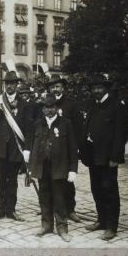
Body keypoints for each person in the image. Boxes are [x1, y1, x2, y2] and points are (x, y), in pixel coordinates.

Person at [80, 74, 128, 241]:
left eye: (99, 87)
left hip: (108, 158)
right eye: (93, 88)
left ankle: (111, 227)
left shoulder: (116, 106)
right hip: (93, 157)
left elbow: (120, 134)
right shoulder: (92, 104)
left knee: (110, 191)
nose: (96, 91)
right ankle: (101, 220)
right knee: (97, 190)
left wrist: (115, 156)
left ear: (106, 88)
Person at [26, 95, 78, 242]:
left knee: (59, 198)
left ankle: (62, 228)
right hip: (42, 168)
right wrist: (31, 168)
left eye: (52, 107)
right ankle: (46, 225)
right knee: (44, 197)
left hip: (59, 168)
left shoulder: (66, 124)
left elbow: (73, 148)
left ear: (57, 108)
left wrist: (73, 169)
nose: (49, 110)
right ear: (42, 109)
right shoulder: (37, 124)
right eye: (46, 108)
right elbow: (32, 148)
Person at [0, 71, 28, 222]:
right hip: (0, 148)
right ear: (4, 85)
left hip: (16, 149)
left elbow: (26, 126)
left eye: (12, 83)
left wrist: (27, 149)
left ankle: (11, 209)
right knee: (1, 179)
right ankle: (0, 209)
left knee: (13, 181)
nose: (10, 86)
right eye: (7, 83)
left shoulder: (23, 103)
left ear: (17, 85)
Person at [47, 75, 84, 223]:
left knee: (68, 181)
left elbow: (78, 128)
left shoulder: (71, 104)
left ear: (63, 88)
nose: (55, 89)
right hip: (49, 149)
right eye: (53, 87)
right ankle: (50, 208)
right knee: (49, 178)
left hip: (66, 149)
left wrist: (77, 148)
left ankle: (70, 209)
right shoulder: (45, 104)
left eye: (58, 86)